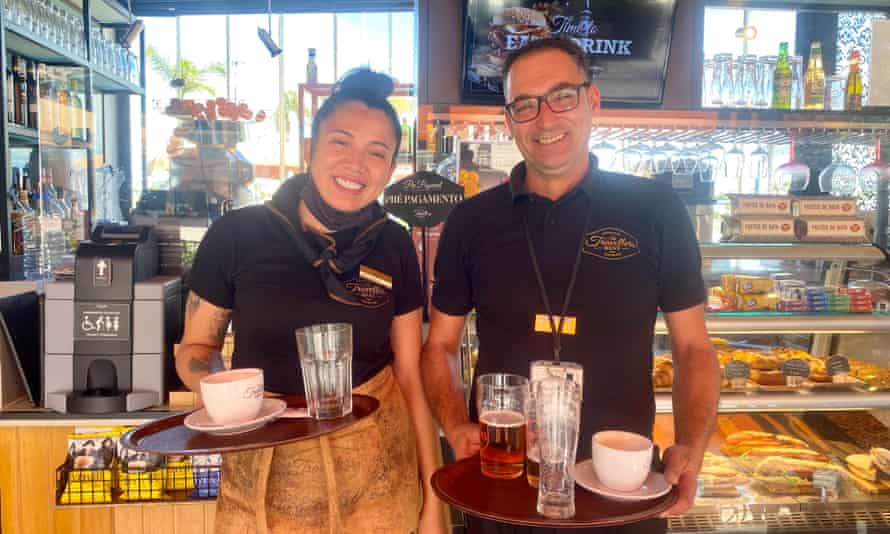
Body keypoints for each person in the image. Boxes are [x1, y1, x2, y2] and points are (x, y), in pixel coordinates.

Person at [421, 38, 720, 534]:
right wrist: (455, 424)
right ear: (509, 118)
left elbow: (694, 349)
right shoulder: (471, 221)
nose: (545, 119)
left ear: (592, 101)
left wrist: (690, 444)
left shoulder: (656, 210)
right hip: (502, 485)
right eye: (525, 104)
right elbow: (440, 347)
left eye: (562, 96)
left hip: (623, 487)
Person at [177, 68, 445, 534]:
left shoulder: (393, 244)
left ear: (389, 169)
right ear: (309, 150)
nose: (356, 164)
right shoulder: (238, 235)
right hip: (261, 473)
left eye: (376, 152)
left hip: (379, 481)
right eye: (341, 142)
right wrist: (235, 401)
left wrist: (433, 499)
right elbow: (196, 351)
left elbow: (408, 374)